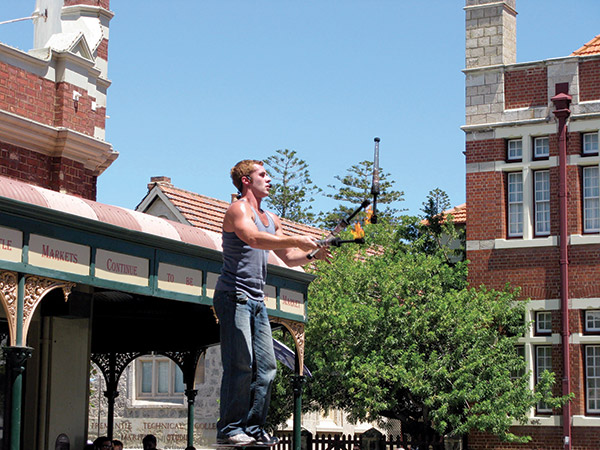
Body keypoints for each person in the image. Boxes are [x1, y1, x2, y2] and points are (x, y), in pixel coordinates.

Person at [213, 159, 325, 446]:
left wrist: (312, 255)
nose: (270, 179)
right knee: (240, 364)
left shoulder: (272, 218)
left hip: (257, 302)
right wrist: (298, 239)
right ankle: (229, 428)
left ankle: (253, 428)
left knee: (267, 369)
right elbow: (253, 239)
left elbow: (288, 257)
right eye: (263, 174)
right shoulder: (238, 209)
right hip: (233, 296)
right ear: (246, 181)